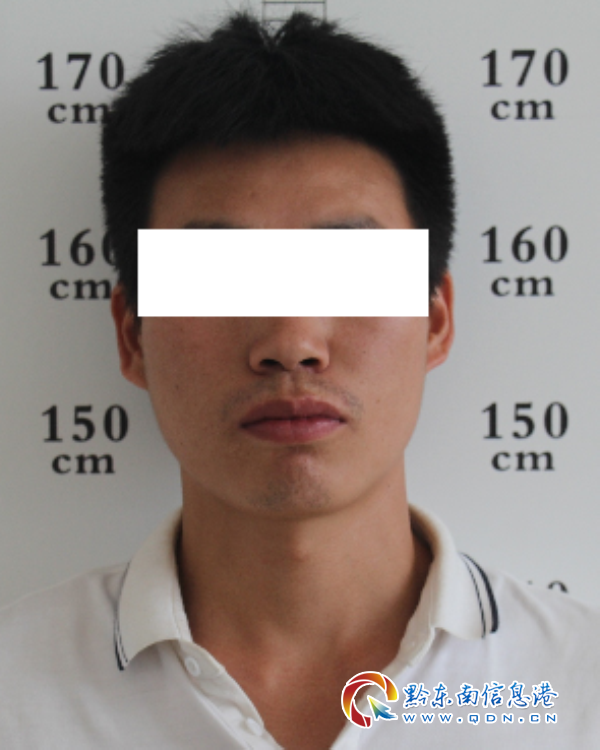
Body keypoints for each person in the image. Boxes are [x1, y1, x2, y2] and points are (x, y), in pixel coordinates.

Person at [0, 10, 598, 749]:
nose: (291, 344)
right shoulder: (15, 697)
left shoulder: (577, 691)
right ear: (133, 337)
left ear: (435, 320)